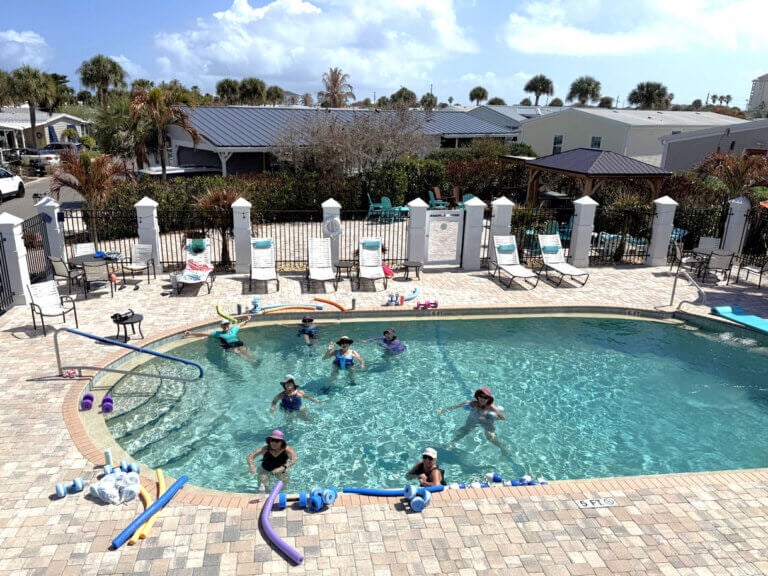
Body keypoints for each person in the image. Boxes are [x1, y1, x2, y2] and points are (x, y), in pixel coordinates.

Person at [438, 387, 509, 456]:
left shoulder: (492, 408)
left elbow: (503, 417)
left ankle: (502, 448)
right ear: (478, 396)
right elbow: (456, 406)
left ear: (488, 399)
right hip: (474, 420)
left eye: (485, 397)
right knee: (464, 430)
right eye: (481, 396)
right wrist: (443, 410)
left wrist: (490, 418)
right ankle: (452, 442)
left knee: (490, 436)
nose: (482, 399)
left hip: (486, 422)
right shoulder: (472, 403)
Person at [184, 316, 251, 357]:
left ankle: (255, 360)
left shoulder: (233, 329)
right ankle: (251, 363)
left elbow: (240, 324)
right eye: (224, 325)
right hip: (230, 345)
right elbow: (203, 333)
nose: (226, 326)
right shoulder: (217, 333)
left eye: (227, 325)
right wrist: (191, 333)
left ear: (229, 325)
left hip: (237, 342)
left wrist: (247, 320)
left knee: (246, 351)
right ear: (221, 326)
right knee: (238, 352)